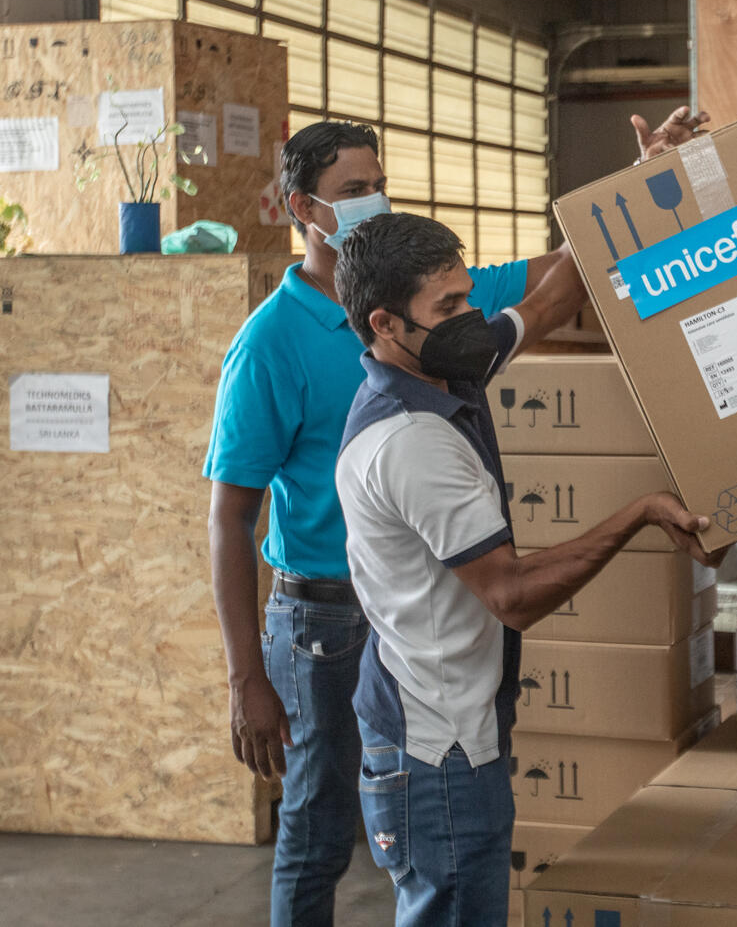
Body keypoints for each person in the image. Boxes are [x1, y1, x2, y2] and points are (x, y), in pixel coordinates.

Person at [205, 108, 707, 926]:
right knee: (321, 827)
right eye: (352, 189)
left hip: (414, 613)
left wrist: (649, 183)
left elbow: (553, 290)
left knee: (409, 819)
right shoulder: (284, 352)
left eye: (378, 185)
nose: (372, 200)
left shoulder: (441, 336)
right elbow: (232, 515)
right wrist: (246, 676)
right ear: (304, 208)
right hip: (324, 614)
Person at [332, 212, 721, 926]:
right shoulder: (411, 439)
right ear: (385, 324)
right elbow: (511, 594)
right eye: (447, 308)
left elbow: (550, 298)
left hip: (442, 724)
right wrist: (637, 515)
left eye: (467, 296)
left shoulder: (446, 363)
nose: (469, 318)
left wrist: (642, 188)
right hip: (436, 749)